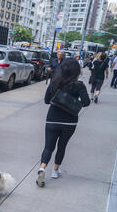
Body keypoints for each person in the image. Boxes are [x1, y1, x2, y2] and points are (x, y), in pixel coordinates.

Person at [36, 58, 90, 187]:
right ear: (77, 71)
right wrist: (72, 103)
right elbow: (86, 102)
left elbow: (46, 101)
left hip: (52, 119)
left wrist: (59, 100)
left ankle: (42, 167)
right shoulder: (79, 85)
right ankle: (55, 171)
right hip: (69, 122)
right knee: (62, 146)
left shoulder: (54, 83)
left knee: (48, 147)